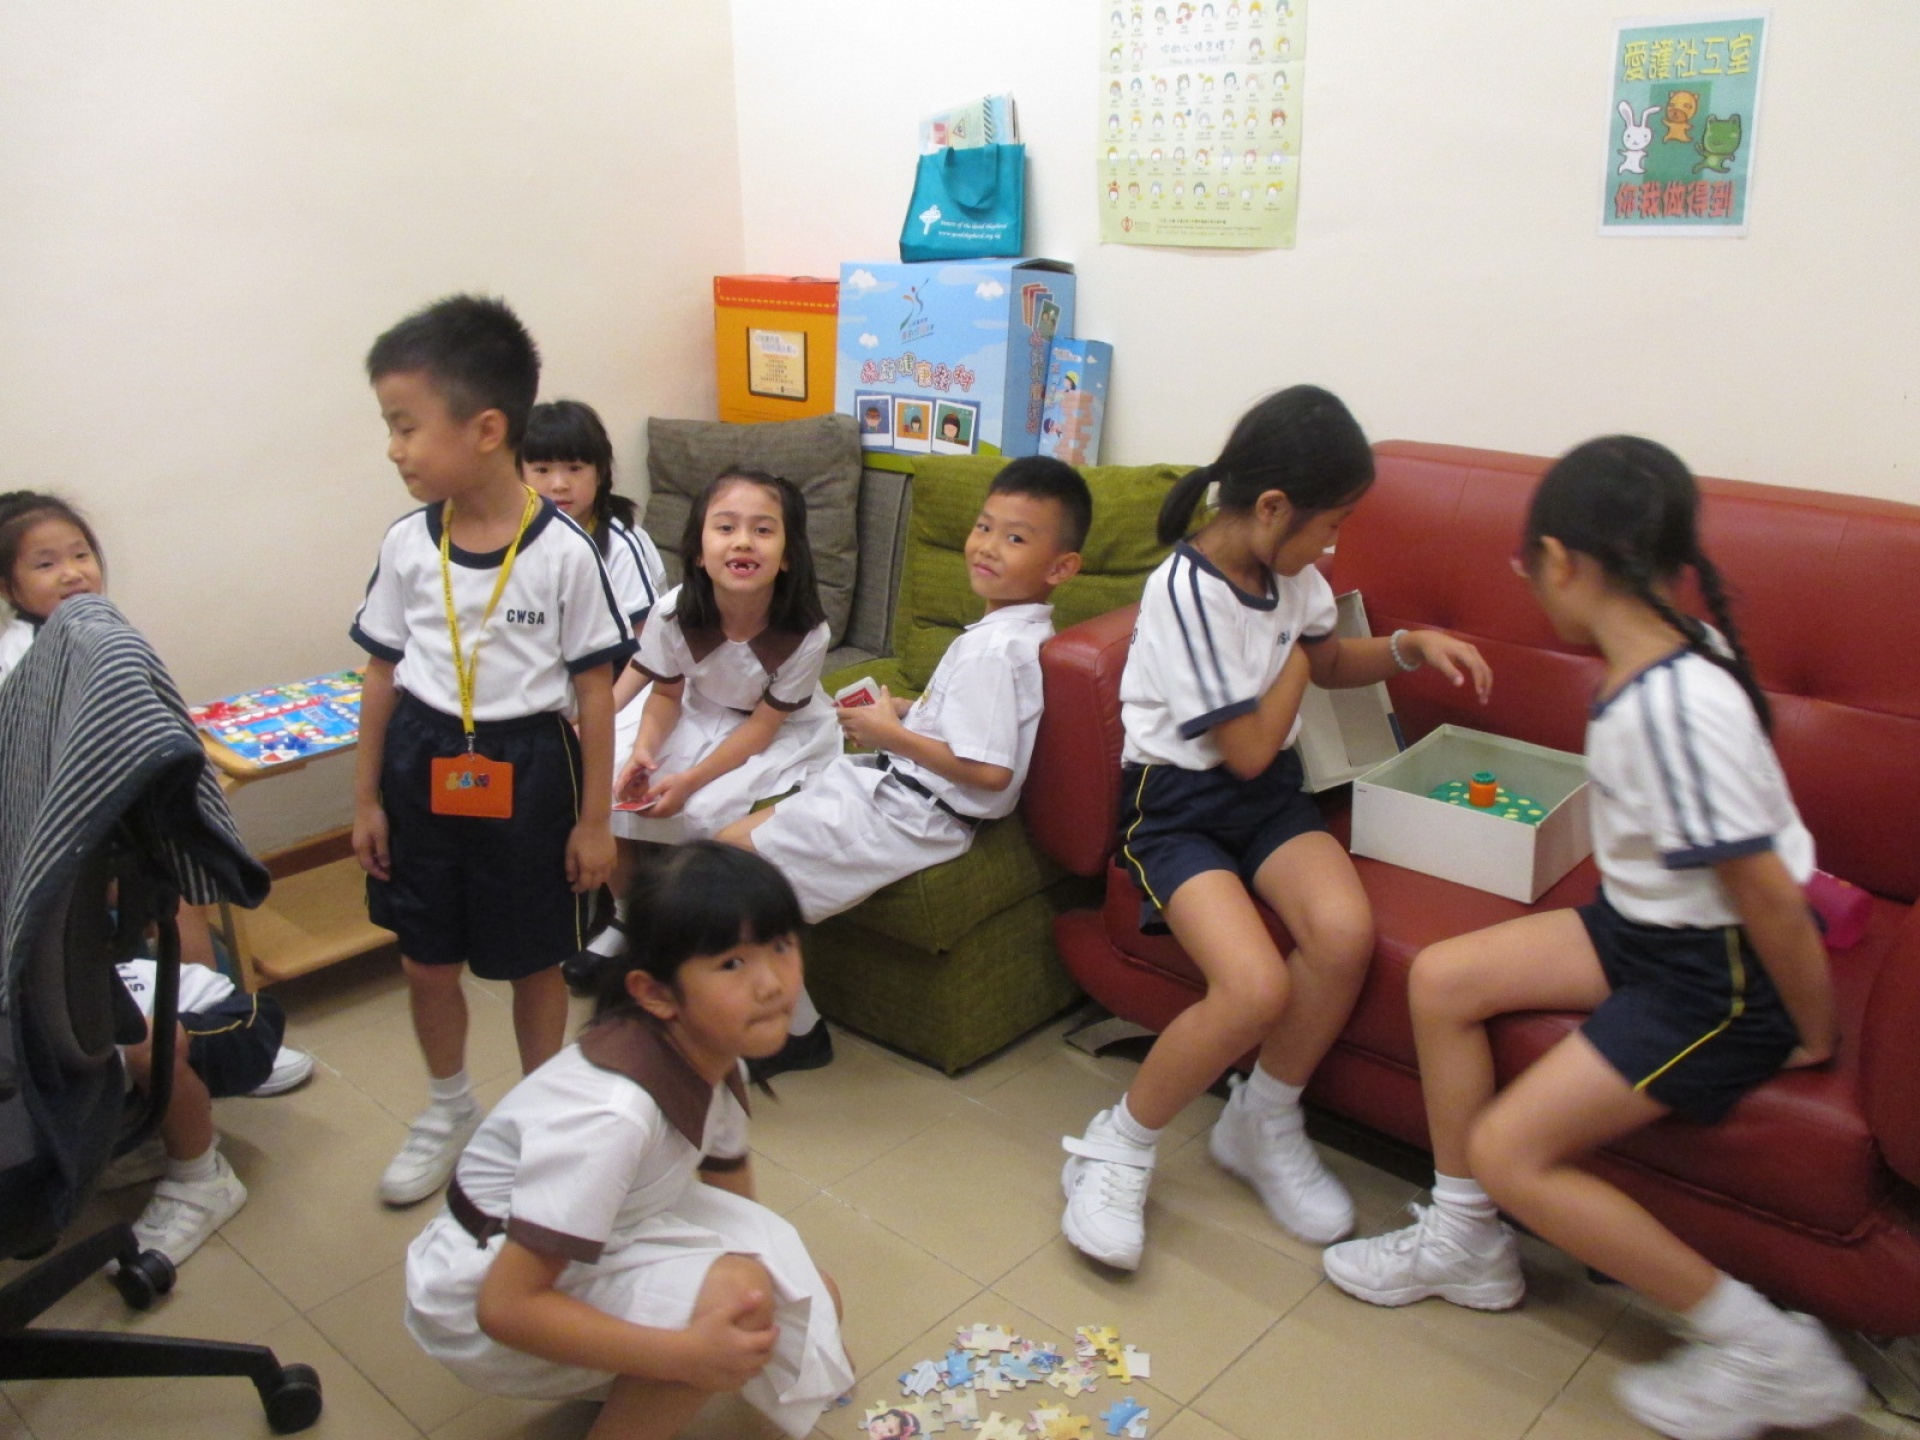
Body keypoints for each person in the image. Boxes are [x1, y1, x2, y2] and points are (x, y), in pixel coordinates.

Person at [1321, 437, 1863, 1440]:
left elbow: (1767, 897)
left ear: (1563, 563)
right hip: (1649, 928)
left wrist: (1810, 1030)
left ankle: (1768, 1353)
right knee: (1442, 980)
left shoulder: (1672, 710)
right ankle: (1466, 1245)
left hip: (1719, 974)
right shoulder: (1672, 645)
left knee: (1512, 1151)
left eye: (1528, 567)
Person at [1059, 386, 1492, 1271]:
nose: (1332, 547)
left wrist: (1407, 648)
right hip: (1176, 807)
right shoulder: (1185, 593)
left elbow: (1329, 661)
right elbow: (1251, 744)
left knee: (1343, 932)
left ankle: (1263, 1117)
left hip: (1266, 800)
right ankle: (1117, 1146)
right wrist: (1297, 655)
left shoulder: (1290, 573)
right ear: (1271, 508)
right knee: (1252, 989)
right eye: (1329, 526)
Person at [403, 842, 854, 1440]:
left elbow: (737, 1205)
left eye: (780, 946)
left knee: (809, 1299)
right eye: (731, 964)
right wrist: (685, 1353)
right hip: (478, 1287)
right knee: (739, 1305)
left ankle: (639, 1361)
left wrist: (771, 1303)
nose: (772, 983)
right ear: (656, 993)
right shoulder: (613, 1116)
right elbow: (504, 1308)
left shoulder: (714, 1049)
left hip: (599, 1230)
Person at [351, 295, 634, 1207]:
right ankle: (448, 1109)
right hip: (423, 760)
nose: (393, 448)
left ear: (484, 429)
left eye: (405, 426)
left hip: (530, 769)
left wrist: (595, 823)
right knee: (424, 958)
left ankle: (535, 1118)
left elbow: (596, 694)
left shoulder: (563, 553)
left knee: (533, 960)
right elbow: (381, 675)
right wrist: (366, 800)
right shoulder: (407, 544)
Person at [721, 456, 1092, 1080]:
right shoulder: (1013, 635)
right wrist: (912, 712)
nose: (987, 546)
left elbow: (991, 772)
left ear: (1061, 567)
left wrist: (892, 735)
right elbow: (984, 723)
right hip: (896, 788)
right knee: (730, 845)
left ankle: (791, 1033)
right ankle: (792, 1026)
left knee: (735, 871)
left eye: (1015, 538)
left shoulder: (995, 650)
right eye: (983, 526)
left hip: (916, 813)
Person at [0, 490, 313, 1095]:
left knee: (179, 881)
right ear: (8, 585)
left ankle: (214, 1033)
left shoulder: (94, 630)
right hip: (65, 843)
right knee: (162, 891)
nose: (72, 573)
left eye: (81, 554)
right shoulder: (20, 658)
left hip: (115, 824)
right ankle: (199, 1046)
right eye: (45, 563)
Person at [577, 469, 838, 975]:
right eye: (725, 527)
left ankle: (688, 937)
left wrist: (691, 779)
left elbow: (762, 728)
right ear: (699, 550)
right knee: (608, 785)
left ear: (787, 555)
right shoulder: (672, 611)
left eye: (763, 530)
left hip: (771, 730)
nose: (743, 541)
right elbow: (665, 694)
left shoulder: (807, 633)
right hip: (694, 709)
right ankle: (627, 917)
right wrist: (644, 749)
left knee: (705, 811)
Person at [520, 399, 670, 951]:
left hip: (627, 688)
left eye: (574, 468)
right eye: (541, 469)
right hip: (552, 692)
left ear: (602, 472)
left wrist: (592, 713)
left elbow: (648, 649)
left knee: (596, 775)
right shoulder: (518, 537)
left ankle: (622, 915)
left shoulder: (618, 541)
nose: (559, 483)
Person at [98, 953, 287, 1266]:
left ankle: (201, 1178)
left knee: (147, 1046)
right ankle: (160, 1139)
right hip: (167, 1020)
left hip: (237, 1017)